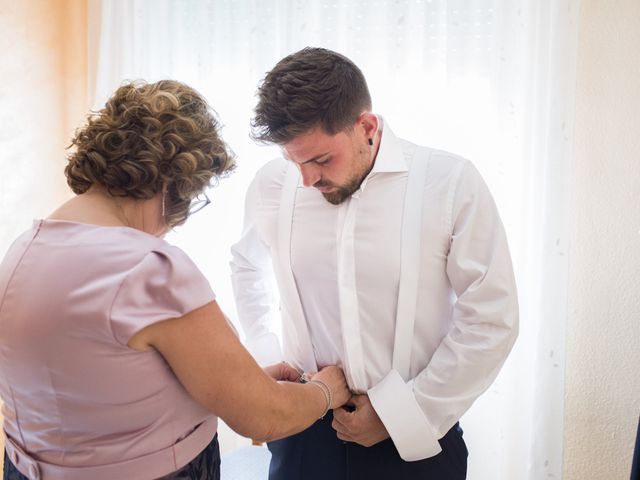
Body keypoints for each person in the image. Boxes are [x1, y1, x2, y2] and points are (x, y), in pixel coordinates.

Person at [0, 80, 350, 480]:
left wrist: (236, 381)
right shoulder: (148, 268)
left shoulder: (22, 251)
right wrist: (326, 391)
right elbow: (264, 416)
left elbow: (97, 387)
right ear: (173, 185)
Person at [230, 47, 519, 480]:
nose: (307, 180)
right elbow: (246, 265)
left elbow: (492, 316)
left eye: (321, 159)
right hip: (303, 438)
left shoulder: (450, 183)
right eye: (294, 161)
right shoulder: (273, 185)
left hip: (416, 442)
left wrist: (400, 415)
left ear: (366, 126)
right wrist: (268, 357)